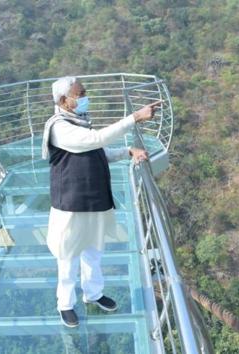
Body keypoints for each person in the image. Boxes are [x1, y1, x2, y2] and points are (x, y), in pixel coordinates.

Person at [41, 76, 161, 327]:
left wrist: (127, 151)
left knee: (93, 251)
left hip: (94, 199)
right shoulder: (59, 127)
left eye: (84, 92)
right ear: (64, 101)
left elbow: (99, 152)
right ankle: (65, 304)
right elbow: (96, 140)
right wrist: (135, 117)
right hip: (71, 204)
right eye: (80, 93)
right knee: (68, 255)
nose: (85, 97)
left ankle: (93, 294)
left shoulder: (79, 122)